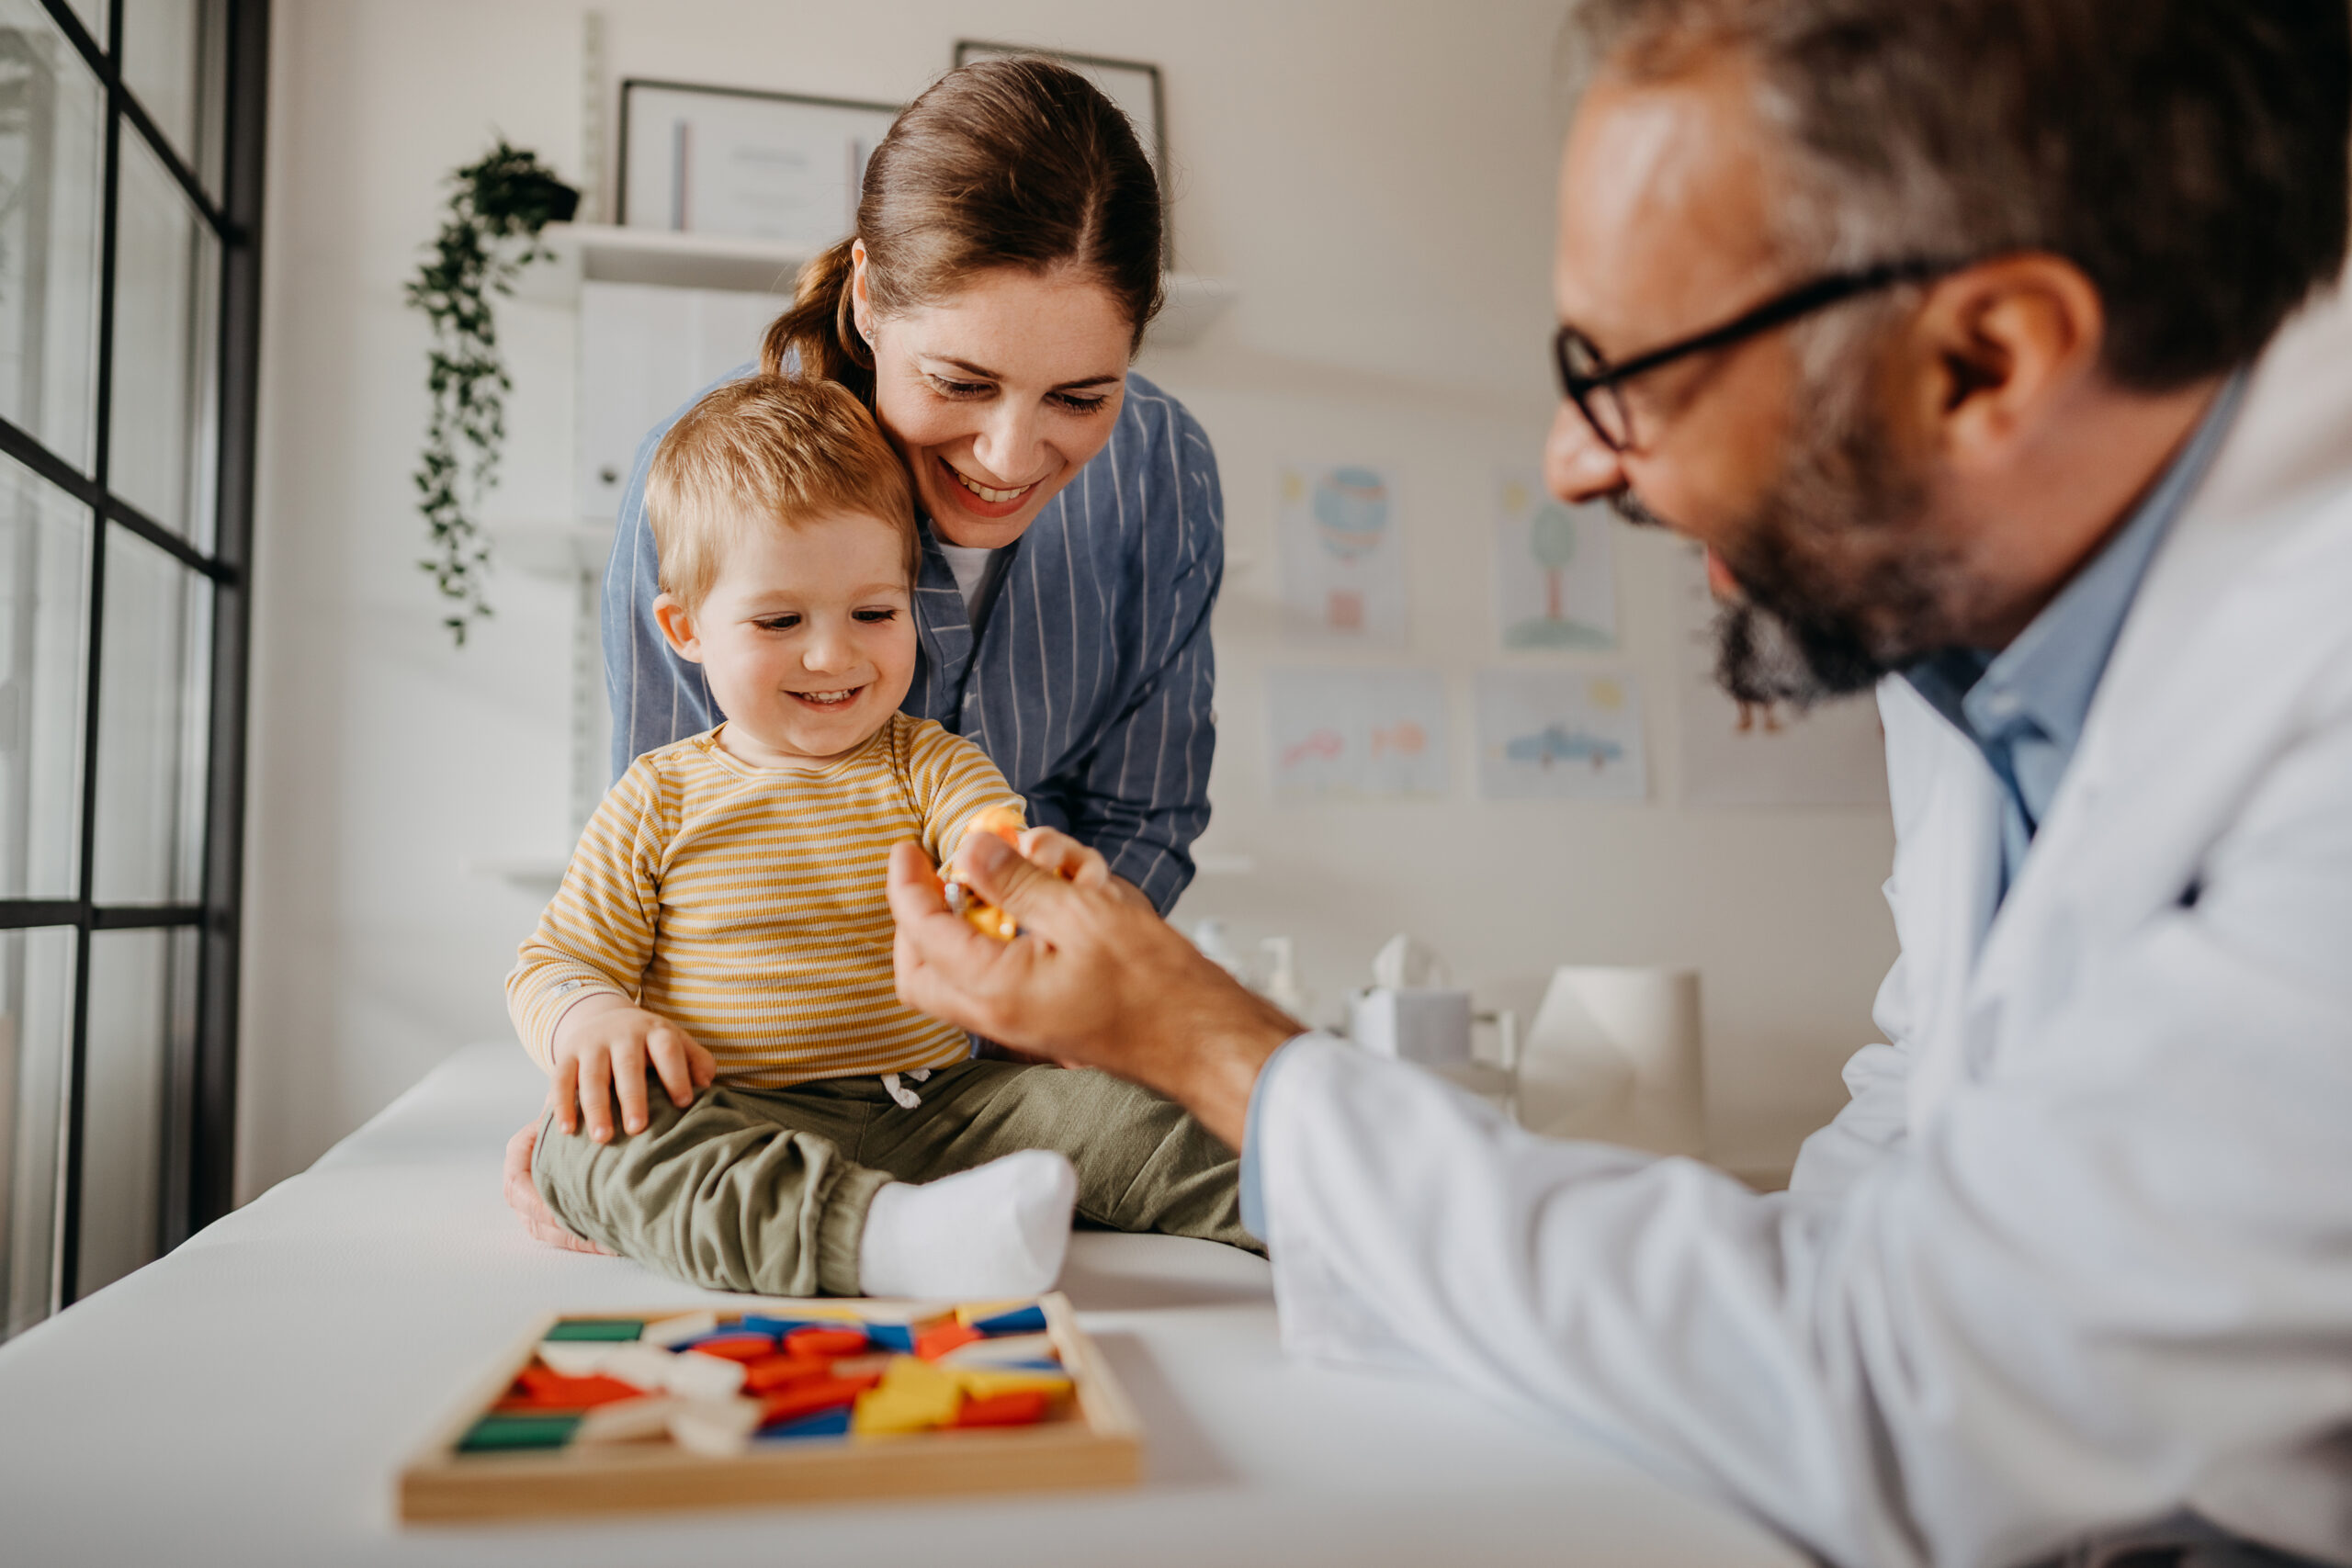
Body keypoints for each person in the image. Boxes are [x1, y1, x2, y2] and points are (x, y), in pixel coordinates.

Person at [884, 2, 2352, 1562]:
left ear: (1988, 361)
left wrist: (1210, 1040)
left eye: (1627, 370)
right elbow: (1910, 1138)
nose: (1575, 464)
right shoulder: (1978, 641)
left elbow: (1932, 1393)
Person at [505, 56, 1227, 1249]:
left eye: (1080, 396)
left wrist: (1030, 1004)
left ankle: (1369, 1226)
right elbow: (651, 856)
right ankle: (878, 1234)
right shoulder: (700, 494)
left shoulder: (1162, 469)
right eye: (962, 381)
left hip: (1009, 1062)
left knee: (1209, 1119)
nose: (1009, 451)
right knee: (594, 1149)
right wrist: (605, 1057)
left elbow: (1144, 815)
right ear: (866, 304)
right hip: (744, 1079)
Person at [510, 374, 1250, 1300]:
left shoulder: (928, 762)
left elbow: (991, 835)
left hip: (935, 1107)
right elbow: (555, 961)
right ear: (684, 628)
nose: (835, 655)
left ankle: (1323, 1217)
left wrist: (1007, 895)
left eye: (875, 612)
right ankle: (887, 1242)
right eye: (781, 620)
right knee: (580, 1154)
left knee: (1145, 1116)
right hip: (730, 1115)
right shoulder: (657, 797)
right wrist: (594, 1020)